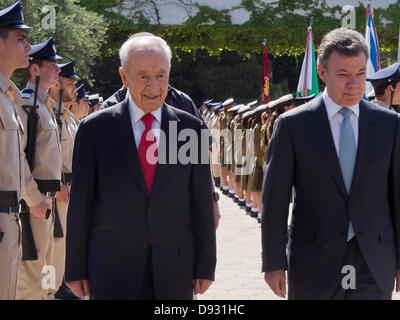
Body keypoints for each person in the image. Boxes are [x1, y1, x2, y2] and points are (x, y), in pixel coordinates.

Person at [64, 35, 216, 299]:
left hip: (173, 268)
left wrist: (206, 264)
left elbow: (201, 200)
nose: (153, 85)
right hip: (112, 269)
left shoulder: (190, 129)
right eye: (143, 76)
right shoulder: (94, 130)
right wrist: (75, 268)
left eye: (161, 75)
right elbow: (80, 204)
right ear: (123, 77)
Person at [261, 28, 400, 300]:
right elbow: (275, 200)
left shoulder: (389, 124)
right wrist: (274, 262)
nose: (355, 84)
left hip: (374, 261)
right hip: (313, 262)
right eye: (343, 74)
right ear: (322, 74)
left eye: (361, 73)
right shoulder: (292, 126)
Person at [16, 37, 63, 300]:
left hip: (48, 200)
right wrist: (32, 198)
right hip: (32, 202)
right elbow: (18, 157)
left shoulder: (44, 106)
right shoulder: (26, 105)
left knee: (47, 270)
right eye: (52, 63)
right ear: (35, 69)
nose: (57, 68)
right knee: (30, 276)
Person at [0, 0, 32, 300]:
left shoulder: (9, 95)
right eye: (20, 39)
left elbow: (18, 159)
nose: (28, 46)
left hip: (11, 217)